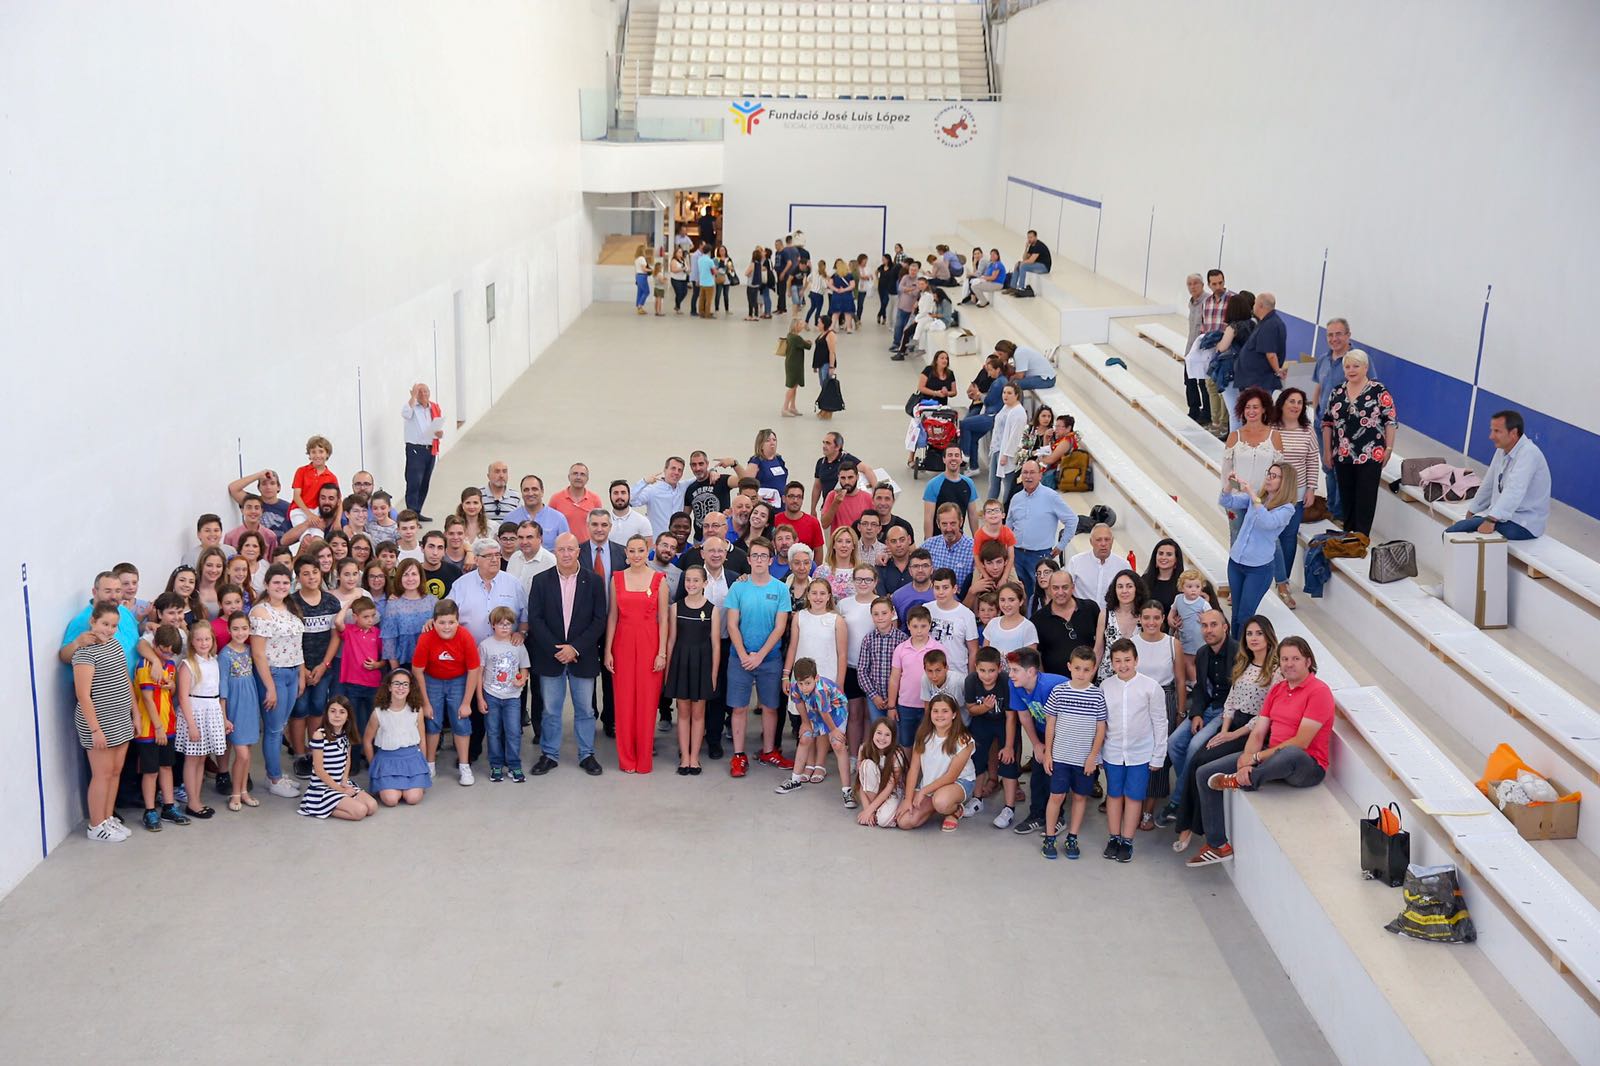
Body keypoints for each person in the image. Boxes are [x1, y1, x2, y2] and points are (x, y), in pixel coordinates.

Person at [1188, 636, 1331, 867]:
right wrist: (1246, 759)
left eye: (1295, 658)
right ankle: (1218, 845)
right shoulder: (1278, 690)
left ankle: (1247, 779)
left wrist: (1255, 759)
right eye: (1284, 659)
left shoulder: (1319, 691)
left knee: (1290, 753)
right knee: (1204, 773)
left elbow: (1302, 742)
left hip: (1306, 766)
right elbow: (1258, 732)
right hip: (1269, 757)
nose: (1289, 664)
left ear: (1308, 661)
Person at [1171, 616, 1280, 852]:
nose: (1253, 638)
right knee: (1198, 757)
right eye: (1250, 634)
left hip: (1251, 730)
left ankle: (1190, 826)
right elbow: (1231, 701)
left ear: (1268, 636)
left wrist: (1233, 735)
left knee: (1201, 762)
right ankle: (1186, 824)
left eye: (1258, 633)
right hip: (1232, 723)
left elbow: (1264, 715)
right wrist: (1223, 730)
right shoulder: (1245, 662)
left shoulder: (1275, 670)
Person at [527, 533, 607, 777]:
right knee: (551, 710)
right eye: (561, 549)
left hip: (582, 656)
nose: (566, 554)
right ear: (555, 551)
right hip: (550, 657)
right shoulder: (540, 580)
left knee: (585, 710)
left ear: (578, 551)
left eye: (570, 549)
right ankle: (549, 754)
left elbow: (598, 620)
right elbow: (536, 619)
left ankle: (586, 754)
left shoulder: (593, 582)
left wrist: (575, 648)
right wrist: (558, 649)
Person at [724, 537, 792, 776]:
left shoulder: (780, 589)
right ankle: (739, 755)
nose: (759, 560)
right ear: (749, 559)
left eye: (764, 556)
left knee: (771, 707)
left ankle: (769, 750)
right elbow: (732, 625)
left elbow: (779, 628)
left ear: (771, 560)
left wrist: (760, 656)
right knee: (739, 708)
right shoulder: (738, 588)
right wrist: (744, 655)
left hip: (770, 659)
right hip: (739, 658)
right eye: (755, 556)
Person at [604, 535, 669, 774]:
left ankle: (644, 758)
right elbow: (613, 616)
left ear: (647, 551)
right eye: (632, 551)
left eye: (641, 550)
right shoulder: (617, 579)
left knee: (647, 702)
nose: (636, 555)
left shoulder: (659, 580)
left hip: (649, 645)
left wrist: (661, 652)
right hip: (622, 644)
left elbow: (663, 619)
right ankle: (626, 758)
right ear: (626, 554)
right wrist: (608, 650)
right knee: (623, 703)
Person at [1098, 639, 1167, 862]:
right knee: (1114, 794)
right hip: (1113, 751)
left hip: (1140, 753)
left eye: (1127, 660)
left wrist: (1158, 754)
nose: (1123, 665)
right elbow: (1100, 723)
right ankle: (1113, 837)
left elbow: (1160, 722)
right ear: (1111, 663)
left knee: (1134, 796)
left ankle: (1127, 840)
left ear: (1136, 660)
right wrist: (1097, 752)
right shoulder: (1106, 686)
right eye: (1117, 661)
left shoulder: (1150, 687)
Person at [1039, 645, 1107, 861]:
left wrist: (1093, 757)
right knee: (1056, 795)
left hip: (1084, 760)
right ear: (1069, 667)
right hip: (1060, 756)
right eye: (1077, 668)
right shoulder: (1059, 691)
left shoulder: (1097, 695)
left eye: (1087, 669)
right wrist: (1048, 753)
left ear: (1094, 669)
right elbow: (1050, 722)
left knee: (1080, 797)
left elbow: (1101, 729)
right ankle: (1050, 837)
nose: (1081, 673)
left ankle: (1072, 837)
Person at [1320, 350, 1396, 539]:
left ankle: (1361, 539)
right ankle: (1348, 536)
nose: (1351, 370)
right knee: (1346, 498)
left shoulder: (1379, 390)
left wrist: (1389, 448)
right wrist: (1327, 451)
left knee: (1366, 498)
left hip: (1371, 454)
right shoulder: (1337, 391)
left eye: (1356, 366)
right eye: (1347, 366)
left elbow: (1390, 421)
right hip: (1343, 454)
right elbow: (1327, 422)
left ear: (1366, 368)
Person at [1221, 461, 1299, 639]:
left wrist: (1252, 496)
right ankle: (1234, 651)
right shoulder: (1258, 498)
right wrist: (1228, 485)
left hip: (1258, 569)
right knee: (1235, 614)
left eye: (1274, 476)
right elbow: (1225, 501)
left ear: (1285, 481)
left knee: (1245, 615)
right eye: (1268, 474)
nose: (1268, 478)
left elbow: (1268, 523)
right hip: (1236, 562)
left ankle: (1242, 655)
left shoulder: (1287, 508)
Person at [1445, 409, 1550, 540]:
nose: (1491, 436)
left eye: (1497, 431)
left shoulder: (1529, 454)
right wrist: (1472, 510)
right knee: (1457, 530)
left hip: (1524, 524)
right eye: (1492, 430)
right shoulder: (1503, 449)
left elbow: (1514, 490)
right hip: (1503, 517)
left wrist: (1491, 520)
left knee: (1457, 533)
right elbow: (1488, 484)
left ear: (1513, 433)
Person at [248, 564, 304, 799]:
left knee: (280, 726)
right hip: (274, 674)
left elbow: (297, 645)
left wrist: (301, 674)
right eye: (277, 582)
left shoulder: (291, 609)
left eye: (285, 582)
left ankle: (279, 774)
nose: (281, 587)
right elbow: (259, 653)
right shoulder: (260, 612)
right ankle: (274, 778)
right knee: (273, 729)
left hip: (292, 672)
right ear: (267, 585)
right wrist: (270, 686)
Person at [412, 599, 482, 786]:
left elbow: (473, 670)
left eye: (451, 622)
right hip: (432, 680)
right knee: (433, 721)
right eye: (442, 622)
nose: (446, 627)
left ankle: (464, 765)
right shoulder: (426, 638)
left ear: (458, 622)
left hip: (458, 681)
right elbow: (417, 670)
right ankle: (430, 763)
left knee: (461, 720)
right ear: (433, 622)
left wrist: (467, 702)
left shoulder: (465, 637)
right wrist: (425, 703)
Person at [895, 694, 977, 832]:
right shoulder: (923, 736)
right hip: (930, 784)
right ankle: (934, 806)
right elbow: (914, 769)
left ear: (954, 714)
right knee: (905, 822)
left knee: (941, 802)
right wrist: (908, 799)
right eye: (935, 711)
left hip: (957, 783)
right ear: (930, 713)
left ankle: (954, 810)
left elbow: (951, 776)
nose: (940, 715)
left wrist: (923, 792)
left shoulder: (964, 740)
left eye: (945, 711)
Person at [665, 564, 719, 775]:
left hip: (702, 664)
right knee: (683, 712)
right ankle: (684, 757)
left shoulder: (713, 610)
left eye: (696, 580)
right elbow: (671, 641)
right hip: (681, 663)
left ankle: (695, 757)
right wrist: (668, 671)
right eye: (688, 580)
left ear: (705, 583)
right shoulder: (676, 608)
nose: (691, 584)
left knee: (698, 714)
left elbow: (715, 644)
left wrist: (713, 674)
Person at [1269, 387, 1319, 606]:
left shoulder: (1308, 432)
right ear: (1282, 404)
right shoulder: (1270, 429)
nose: (1295, 406)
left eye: (1300, 402)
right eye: (1291, 401)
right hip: (1271, 493)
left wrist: (1311, 488)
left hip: (1296, 494)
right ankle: (1267, 577)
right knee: (1271, 537)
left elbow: (1312, 460)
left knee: (1288, 538)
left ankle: (1283, 582)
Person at [775, 657, 851, 798]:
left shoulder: (821, 691)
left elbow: (825, 712)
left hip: (836, 711)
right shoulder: (795, 686)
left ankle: (847, 790)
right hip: (817, 709)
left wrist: (834, 730)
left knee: (837, 744)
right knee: (805, 738)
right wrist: (805, 723)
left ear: (816, 678)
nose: (804, 687)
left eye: (807, 683)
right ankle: (795, 780)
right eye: (801, 683)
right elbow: (799, 703)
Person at [133, 625, 185, 831]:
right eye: (163, 650)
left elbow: (168, 693)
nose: (166, 655)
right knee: (150, 771)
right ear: (154, 645)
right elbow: (147, 698)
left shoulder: (170, 666)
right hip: (150, 729)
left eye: (171, 652)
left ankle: (169, 807)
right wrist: (158, 728)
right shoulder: (146, 665)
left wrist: (172, 687)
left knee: (166, 766)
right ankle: (150, 810)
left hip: (168, 725)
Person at [1006, 460, 1078, 604]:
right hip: (1017, 555)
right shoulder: (1016, 498)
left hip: (1039, 556)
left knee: (1043, 596)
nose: (1028, 476)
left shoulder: (1051, 496)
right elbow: (1009, 524)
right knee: (1018, 595)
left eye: (1032, 472)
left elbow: (1072, 519)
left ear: (1040, 475)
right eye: (1025, 472)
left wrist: (1061, 545)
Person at [174, 621, 225, 819]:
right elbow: (183, 696)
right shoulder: (188, 664)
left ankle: (196, 798)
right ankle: (192, 802)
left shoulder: (213, 661)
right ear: (192, 642)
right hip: (194, 713)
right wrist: (191, 725)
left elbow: (217, 692)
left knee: (202, 758)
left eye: (207, 639)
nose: (203, 643)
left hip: (210, 711)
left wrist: (222, 719)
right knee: (192, 759)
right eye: (199, 639)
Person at [1221, 388, 1284, 544]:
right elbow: (1226, 472)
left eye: (1255, 407)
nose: (1251, 411)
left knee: (1267, 542)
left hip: (1264, 501)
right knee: (1237, 539)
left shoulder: (1275, 436)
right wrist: (1230, 496)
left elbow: (1280, 471)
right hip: (1237, 499)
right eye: (1247, 407)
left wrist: (1273, 499)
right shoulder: (1234, 436)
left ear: (1264, 409)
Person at [477, 606, 531, 783]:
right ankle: (496, 765)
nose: (505, 627)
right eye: (500, 624)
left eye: (508, 624)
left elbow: (524, 668)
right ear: (493, 625)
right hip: (491, 695)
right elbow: (480, 672)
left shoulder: (518, 645)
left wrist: (522, 679)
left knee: (514, 731)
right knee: (493, 732)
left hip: (513, 697)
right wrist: (479, 697)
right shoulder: (485, 646)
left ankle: (514, 765)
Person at [363, 668, 431, 806]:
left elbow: (422, 740)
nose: (401, 688)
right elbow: (367, 741)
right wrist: (374, 766)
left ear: (410, 688)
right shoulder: (378, 712)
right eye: (397, 683)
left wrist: (423, 765)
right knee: (391, 800)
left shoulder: (416, 710)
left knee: (413, 798)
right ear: (389, 687)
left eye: (405, 684)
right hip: (387, 761)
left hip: (412, 759)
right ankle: (387, 785)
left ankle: (411, 784)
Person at [217, 612, 261, 811]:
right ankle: (235, 792)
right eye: (235, 628)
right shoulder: (225, 654)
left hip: (250, 704)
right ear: (229, 630)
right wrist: (224, 716)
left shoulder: (251, 650)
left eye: (244, 628)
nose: (240, 632)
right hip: (235, 706)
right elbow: (223, 686)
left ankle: (244, 791)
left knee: (248, 752)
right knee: (241, 754)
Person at [1311, 317, 1352, 518]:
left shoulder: (1357, 361)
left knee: (1341, 471)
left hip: (1344, 428)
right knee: (1327, 467)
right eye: (1330, 335)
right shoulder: (1323, 359)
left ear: (1348, 336)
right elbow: (1318, 386)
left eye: (1338, 334)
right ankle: (1332, 509)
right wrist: (1316, 410)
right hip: (1321, 424)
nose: (1334, 339)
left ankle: (1340, 513)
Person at [886, 605, 937, 746]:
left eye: (923, 626)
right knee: (906, 742)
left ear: (930, 625)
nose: (919, 631)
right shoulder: (901, 649)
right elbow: (894, 679)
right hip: (906, 704)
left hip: (931, 705)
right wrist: (891, 706)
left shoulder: (938, 648)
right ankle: (907, 768)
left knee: (928, 742)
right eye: (915, 626)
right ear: (908, 626)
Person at [1232, 292, 1288, 398]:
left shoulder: (1270, 325)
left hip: (1259, 381)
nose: (1253, 307)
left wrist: (1278, 371)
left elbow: (1270, 353)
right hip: (1255, 380)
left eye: (1254, 304)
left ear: (1261, 306)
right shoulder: (1267, 322)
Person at [401, 385, 444, 519]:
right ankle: (411, 514)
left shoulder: (433, 407)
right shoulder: (411, 407)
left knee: (425, 482)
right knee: (414, 482)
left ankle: (417, 512)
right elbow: (405, 413)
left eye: (425, 391)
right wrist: (412, 397)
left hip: (430, 449)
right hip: (415, 449)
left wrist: (439, 434)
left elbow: (434, 427)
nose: (423, 394)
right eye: (419, 392)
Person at [854, 719, 907, 827]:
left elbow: (890, 787)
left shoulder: (897, 754)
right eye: (879, 733)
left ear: (893, 738)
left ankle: (880, 810)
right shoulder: (864, 748)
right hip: (873, 791)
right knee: (866, 764)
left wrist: (869, 811)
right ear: (872, 733)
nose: (882, 738)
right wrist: (868, 810)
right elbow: (861, 784)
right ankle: (876, 810)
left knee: (883, 821)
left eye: (887, 735)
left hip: (893, 792)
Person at [921, 446, 981, 537]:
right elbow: (928, 518)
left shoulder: (969, 483)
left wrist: (977, 541)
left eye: (956, 455)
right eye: (950, 455)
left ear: (961, 460)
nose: (953, 458)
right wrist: (928, 543)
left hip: (958, 539)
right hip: (938, 540)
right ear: (944, 459)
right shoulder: (933, 484)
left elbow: (972, 515)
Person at [921, 504, 976, 591]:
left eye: (953, 523)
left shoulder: (974, 548)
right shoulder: (928, 546)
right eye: (944, 524)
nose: (949, 529)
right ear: (938, 524)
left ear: (961, 522)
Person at [1066, 523, 1122, 607]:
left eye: (1107, 539)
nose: (1103, 544)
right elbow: (1065, 588)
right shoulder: (1076, 562)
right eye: (1099, 540)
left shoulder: (1123, 565)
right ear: (1091, 541)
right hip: (1081, 614)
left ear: (1112, 541)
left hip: (1111, 615)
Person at [507, 474, 572, 541]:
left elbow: (566, 547)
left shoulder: (559, 519)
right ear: (522, 493)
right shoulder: (510, 518)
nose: (530, 493)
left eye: (534, 489)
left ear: (542, 491)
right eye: (526, 490)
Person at [780, 317, 811, 418]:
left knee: (794, 386)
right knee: (792, 386)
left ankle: (792, 406)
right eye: (801, 324)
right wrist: (809, 342)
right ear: (796, 326)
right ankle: (785, 408)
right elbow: (808, 346)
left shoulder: (791, 336)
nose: (802, 326)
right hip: (794, 365)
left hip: (792, 363)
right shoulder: (796, 338)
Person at [1005, 230, 1052, 295]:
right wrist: (1026, 248)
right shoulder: (1031, 246)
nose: (1029, 239)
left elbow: (1031, 260)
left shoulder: (1039, 246)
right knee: (1019, 265)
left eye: (1031, 237)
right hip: (1036, 264)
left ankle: (1021, 288)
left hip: (1044, 267)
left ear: (1035, 237)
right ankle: (1012, 287)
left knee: (1023, 266)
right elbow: (1025, 258)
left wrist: (1021, 263)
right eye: (1028, 237)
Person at [890, 260, 921, 352]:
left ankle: (906, 345)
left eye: (914, 270)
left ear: (917, 271)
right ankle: (896, 343)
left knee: (907, 328)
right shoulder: (905, 277)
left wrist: (907, 290)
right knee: (898, 325)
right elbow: (900, 288)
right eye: (911, 270)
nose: (912, 272)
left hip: (911, 310)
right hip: (901, 307)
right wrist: (911, 288)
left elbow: (916, 293)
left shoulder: (919, 280)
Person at [632, 243, 651, 314]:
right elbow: (644, 269)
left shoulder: (636, 259)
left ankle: (639, 307)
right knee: (646, 291)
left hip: (638, 276)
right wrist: (652, 270)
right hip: (642, 276)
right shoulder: (642, 258)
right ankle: (640, 305)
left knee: (640, 292)